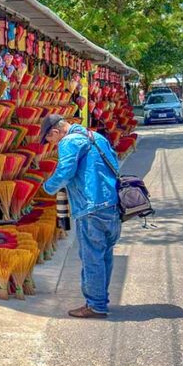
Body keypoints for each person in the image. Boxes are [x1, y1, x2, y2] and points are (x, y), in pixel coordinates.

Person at [40, 113, 121, 318]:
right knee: (104, 256)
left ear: (56, 131)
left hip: (90, 208)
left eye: (48, 138)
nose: (49, 144)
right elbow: (115, 164)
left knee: (91, 257)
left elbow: (64, 172)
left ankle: (95, 306)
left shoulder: (68, 142)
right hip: (112, 205)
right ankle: (100, 300)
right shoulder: (96, 137)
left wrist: (47, 188)